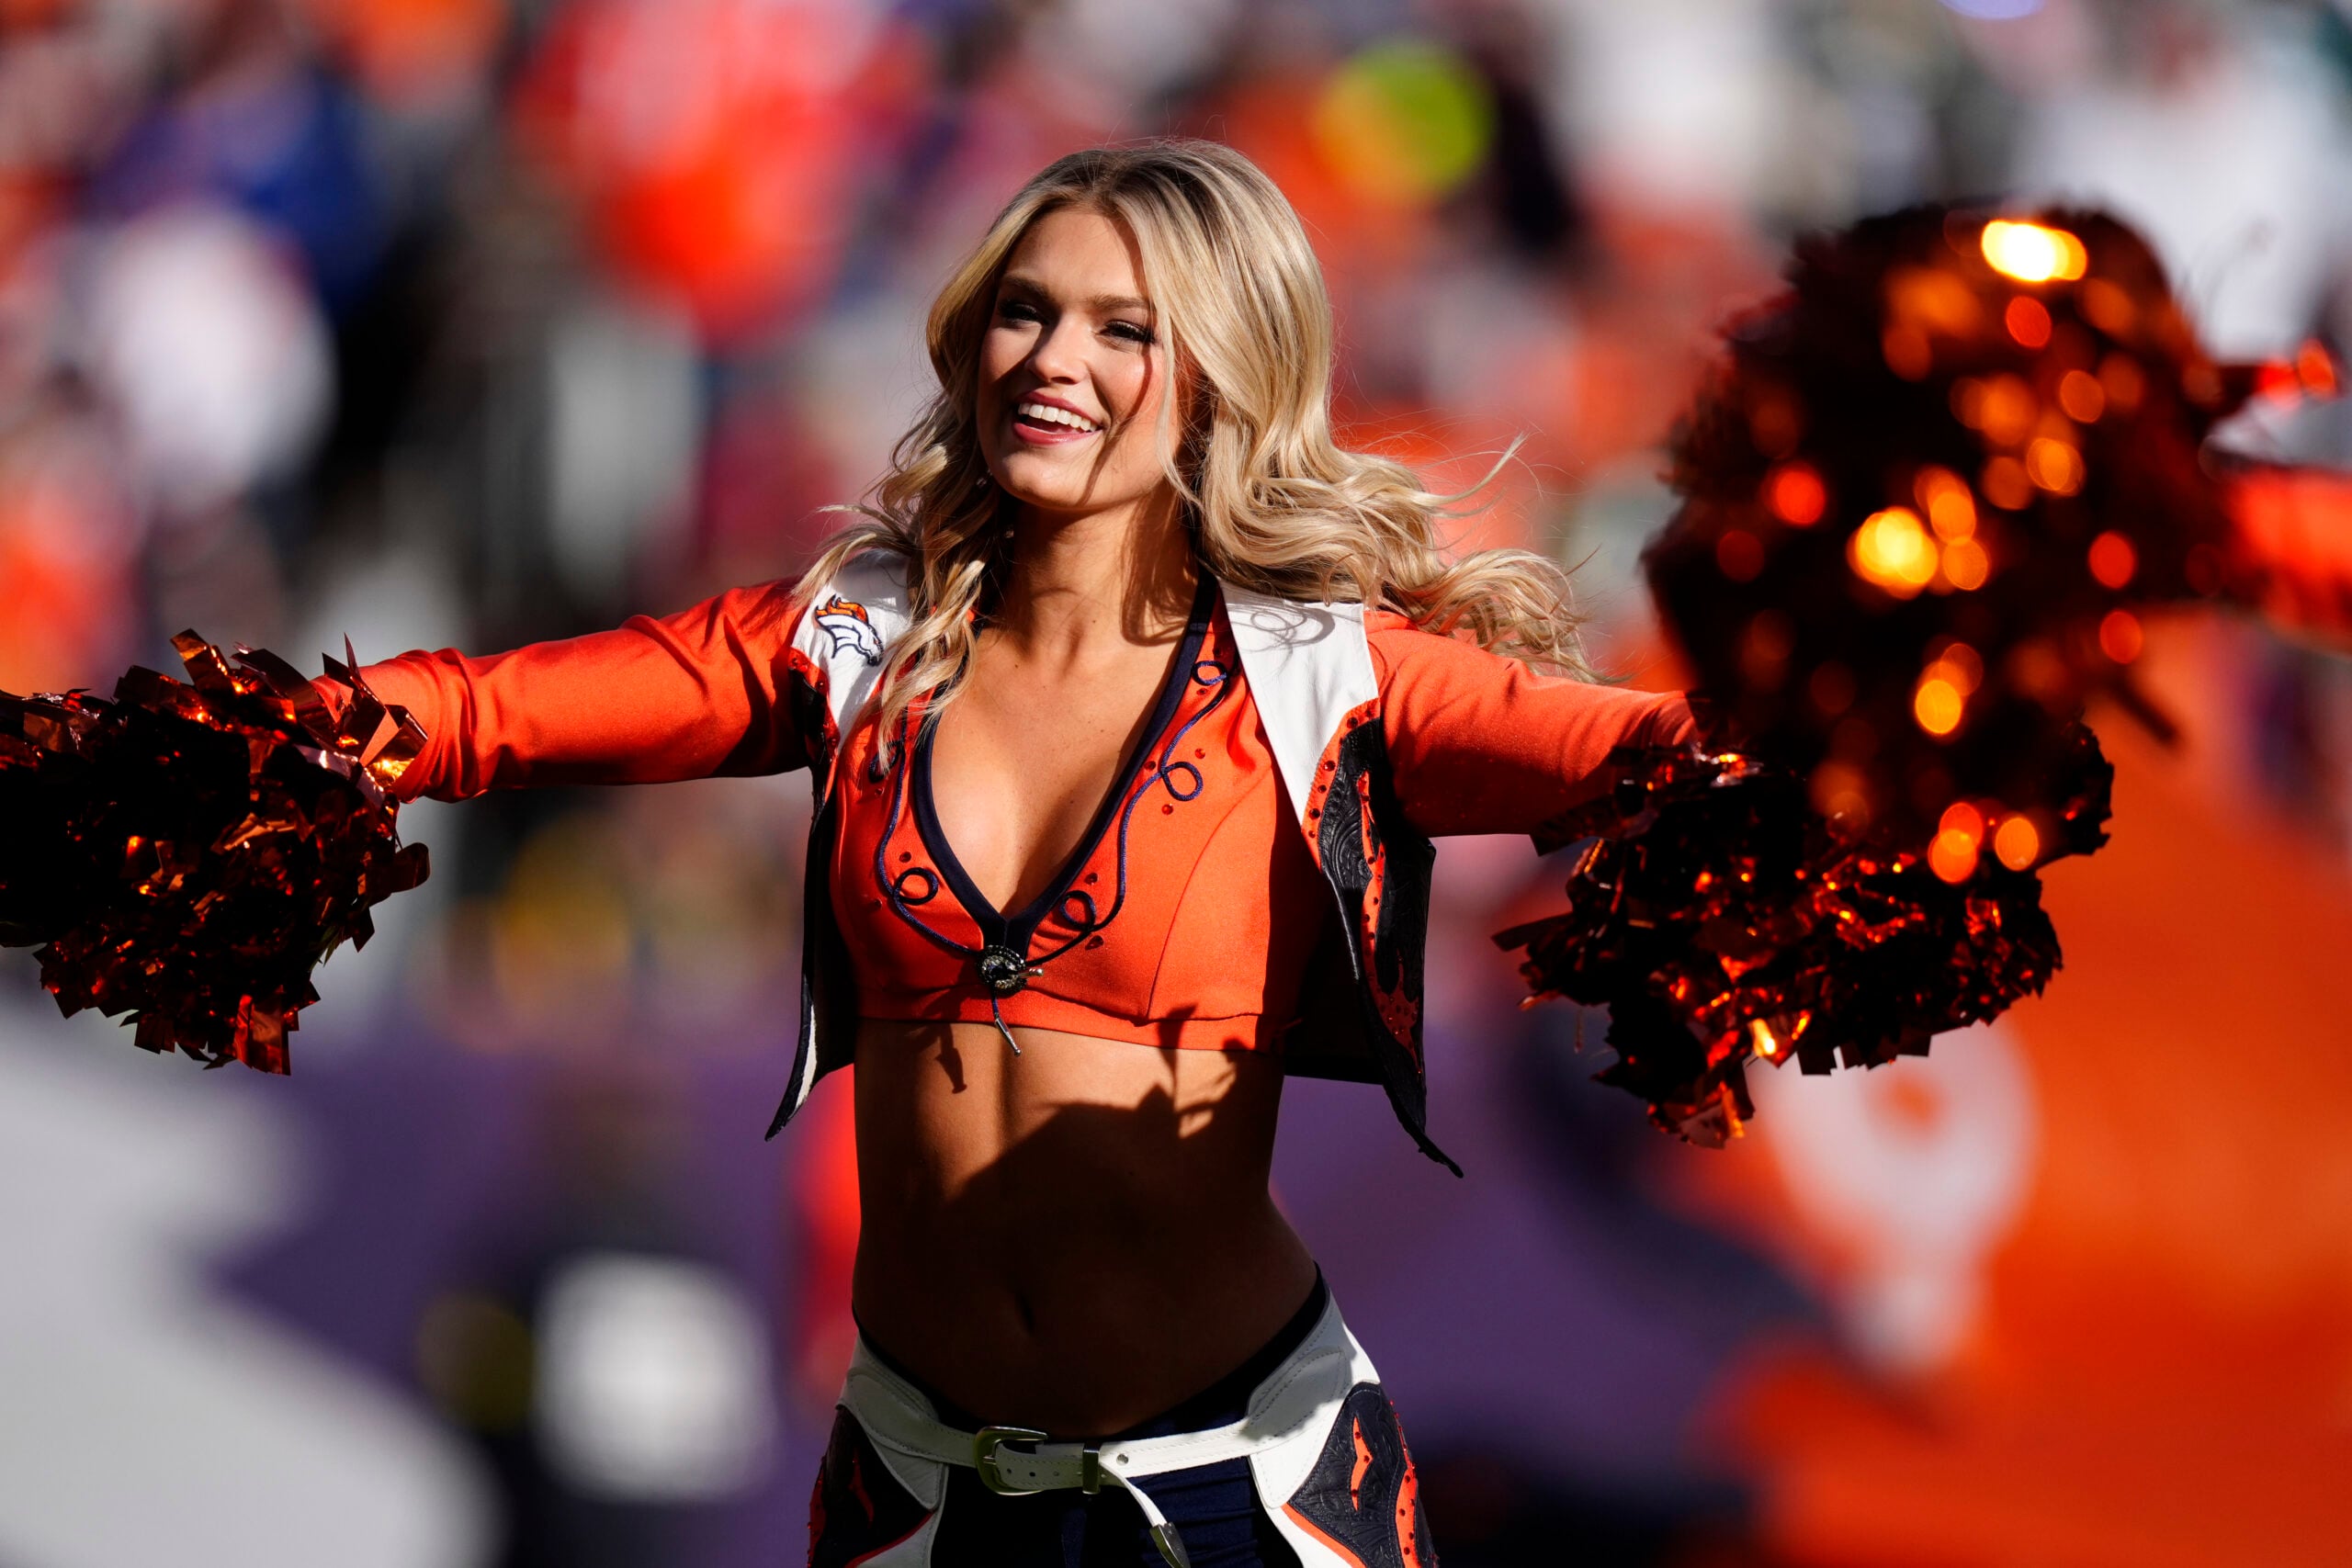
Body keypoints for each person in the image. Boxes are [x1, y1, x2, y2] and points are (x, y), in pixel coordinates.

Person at [344, 141, 1693, 1567]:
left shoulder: (1334, 682)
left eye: (1127, 330)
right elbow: (482, 714)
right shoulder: (855, 637)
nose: (1053, 359)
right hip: (917, 1490)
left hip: (1242, 1494)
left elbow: (1674, 764)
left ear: (1222, 374)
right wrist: (243, 740)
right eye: (1025, 308)